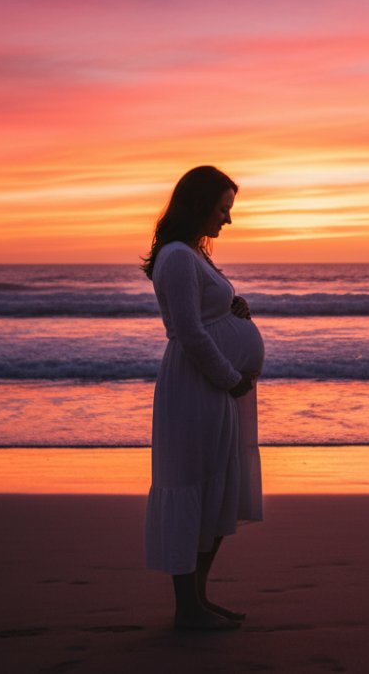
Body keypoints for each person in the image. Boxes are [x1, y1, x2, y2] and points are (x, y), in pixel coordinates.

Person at [140, 165, 264, 631]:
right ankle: (187, 608)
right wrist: (229, 377)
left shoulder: (193, 254)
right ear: (200, 204)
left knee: (217, 487)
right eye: (223, 208)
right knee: (191, 485)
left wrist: (235, 308)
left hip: (214, 386)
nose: (228, 219)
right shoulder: (176, 257)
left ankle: (199, 599)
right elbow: (189, 332)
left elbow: (205, 314)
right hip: (196, 386)